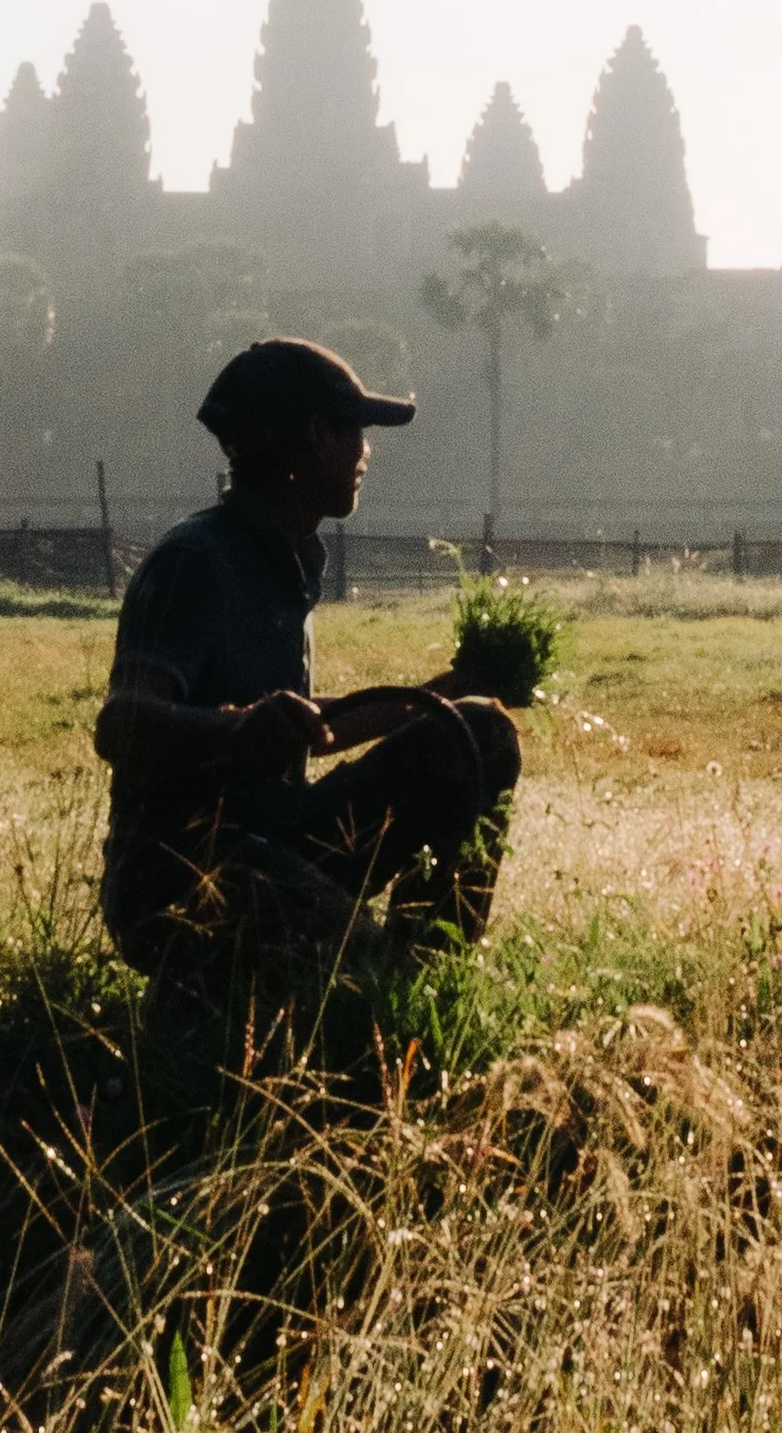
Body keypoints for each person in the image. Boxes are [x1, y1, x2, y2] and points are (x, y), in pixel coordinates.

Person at [94, 335, 521, 973]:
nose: (366, 453)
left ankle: (437, 965)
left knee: (477, 731)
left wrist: (448, 690)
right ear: (317, 437)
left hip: (283, 837)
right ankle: (387, 987)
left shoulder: (286, 559)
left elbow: (301, 730)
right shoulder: (194, 563)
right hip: (184, 872)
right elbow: (121, 723)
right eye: (357, 432)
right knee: (369, 975)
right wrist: (238, 729)